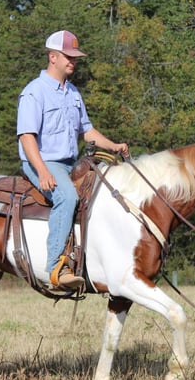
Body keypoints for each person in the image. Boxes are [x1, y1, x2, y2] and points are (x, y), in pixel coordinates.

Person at [17, 30, 128, 290]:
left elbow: (86, 130)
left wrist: (113, 146)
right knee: (67, 196)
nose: (73, 62)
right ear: (52, 57)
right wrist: (42, 171)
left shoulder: (73, 93)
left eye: (75, 58)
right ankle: (55, 268)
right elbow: (26, 136)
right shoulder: (35, 92)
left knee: (107, 190)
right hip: (44, 162)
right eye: (68, 57)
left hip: (71, 162)